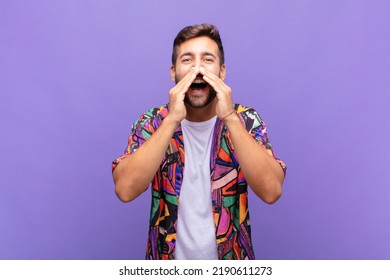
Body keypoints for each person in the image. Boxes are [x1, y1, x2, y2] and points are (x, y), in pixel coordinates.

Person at [112, 23, 286, 260]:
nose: (197, 69)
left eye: (207, 59)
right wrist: (172, 120)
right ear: (173, 72)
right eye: (187, 60)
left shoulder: (245, 119)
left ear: (222, 72)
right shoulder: (152, 122)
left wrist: (229, 119)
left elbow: (271, 191)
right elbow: (125, 190)